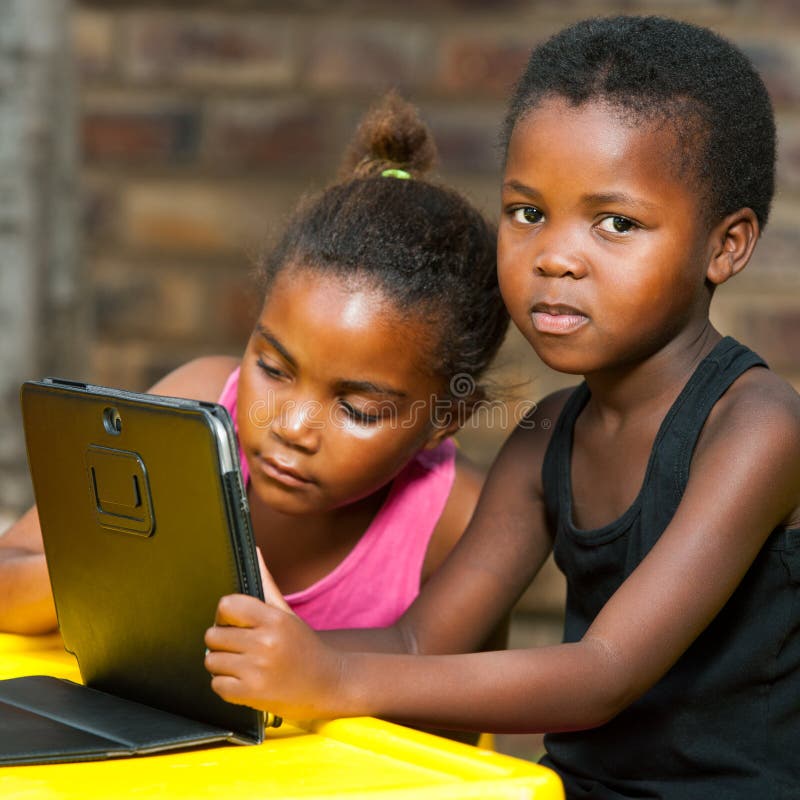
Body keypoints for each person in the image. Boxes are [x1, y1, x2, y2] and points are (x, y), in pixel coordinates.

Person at [202, 16, 800, 799]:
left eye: (616, 223)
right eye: (527, 212)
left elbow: (602, 673)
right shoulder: (545, 435)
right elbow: (420, 641)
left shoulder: (757, 427)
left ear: (725, 246)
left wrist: (331, 678)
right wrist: (246, 654)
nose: (554, 256)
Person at [0, 94, 510, 656]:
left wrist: (294, 659)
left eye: (357, 409)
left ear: (444, 419)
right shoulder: (192, 415)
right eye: (271, 368)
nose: (292, 426)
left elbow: (447, 723)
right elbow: (9, 572)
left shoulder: (457, 521)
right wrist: (115, 565)